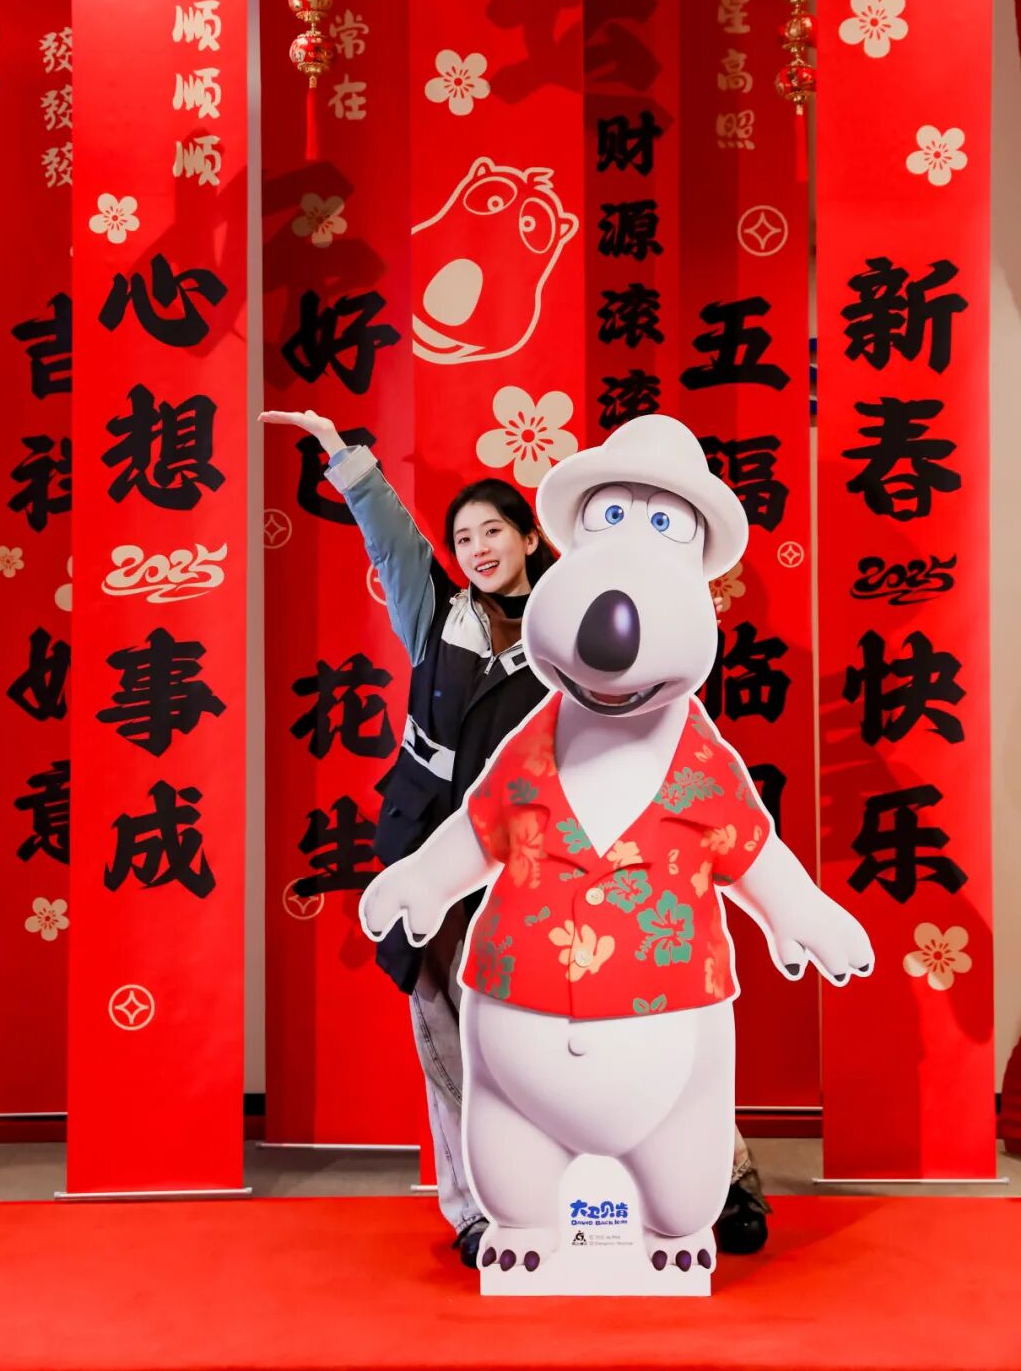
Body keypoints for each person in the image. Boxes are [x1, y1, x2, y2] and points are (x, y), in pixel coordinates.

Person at [259, 406, 769, 1263]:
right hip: (439, 847)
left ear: (532, 537)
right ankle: (475, 1209)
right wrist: (346, 459)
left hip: (555, 859)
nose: (477, 549)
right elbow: (390, 541)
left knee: (639, 1020)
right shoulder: (438, 616)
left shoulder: (576, 621)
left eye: (492, 531)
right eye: (463, 539)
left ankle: (725, 1181)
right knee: (449, 1034)